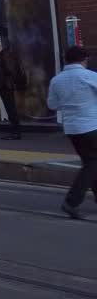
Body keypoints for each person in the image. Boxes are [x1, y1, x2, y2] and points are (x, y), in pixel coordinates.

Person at [47, 46, 97, 220]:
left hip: (72, 129)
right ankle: (71, 201)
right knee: (92, 164)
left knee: (91, 163)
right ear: (84, 60)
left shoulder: (56, 80)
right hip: (91, 125)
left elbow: (52, 105)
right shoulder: (90, 76)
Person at [0, 38, 22, 140]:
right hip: (6, 85)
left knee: (10, 109)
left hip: (7, 86)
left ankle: (16, 132)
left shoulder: (5, 55)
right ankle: (15, 131)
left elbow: (10, 71)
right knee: (10, 108)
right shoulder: (5, 55)